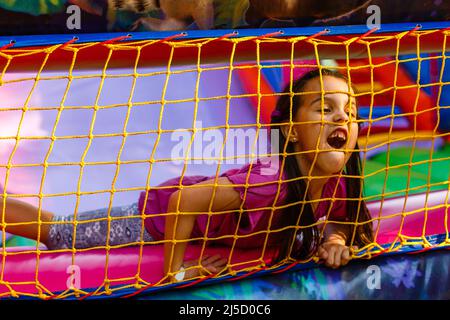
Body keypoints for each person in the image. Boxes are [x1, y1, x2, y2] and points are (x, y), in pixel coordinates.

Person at [0, 68, 373, 283]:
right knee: (59, 233)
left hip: (201, 216)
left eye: (351, 111)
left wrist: (337, 237)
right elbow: (184, 202)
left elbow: (336, 218)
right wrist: (177, 272)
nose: (343, 118)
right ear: (291, 131)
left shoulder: (336, 186)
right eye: (325, 108)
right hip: (157, 217)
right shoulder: (268, 184)